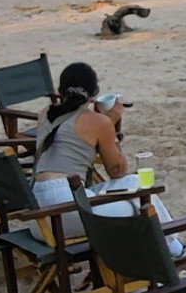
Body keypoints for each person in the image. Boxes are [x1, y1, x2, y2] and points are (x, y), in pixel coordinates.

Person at [28, 62, 134, 241]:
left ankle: (175, 248)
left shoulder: (46, 113)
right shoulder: (99, 123)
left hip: (39, 220)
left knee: (134, 181)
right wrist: (112, 124)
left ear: (61, 91)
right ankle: (173, 249)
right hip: (67, 211)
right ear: (93, 95)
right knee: (140, 204)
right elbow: (117, 171)